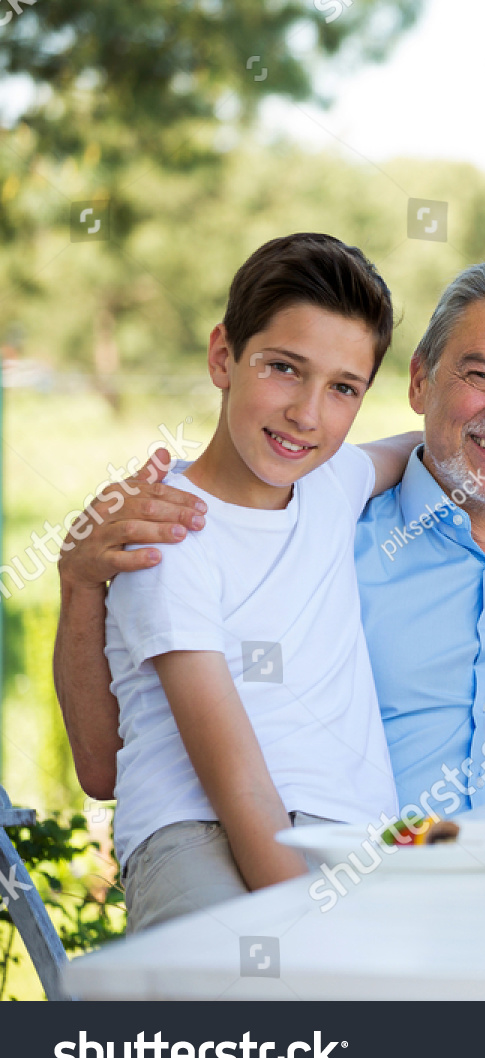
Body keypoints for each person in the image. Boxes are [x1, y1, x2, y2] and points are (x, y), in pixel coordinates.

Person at [57, 258, 485, 814]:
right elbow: (109, 768)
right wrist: (79, 584)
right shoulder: (319, 537)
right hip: (351, 903)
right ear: (420, 381)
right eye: (481, 376)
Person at [106, 234, 404, 931]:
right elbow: (235, 778)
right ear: (223, 356)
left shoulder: (333, 482)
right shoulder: (168, 530)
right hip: (200, 827)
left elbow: (426, 447)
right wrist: (304, 920)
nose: (307, 413)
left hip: (346, 830)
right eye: (283, 368)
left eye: (342, 389)